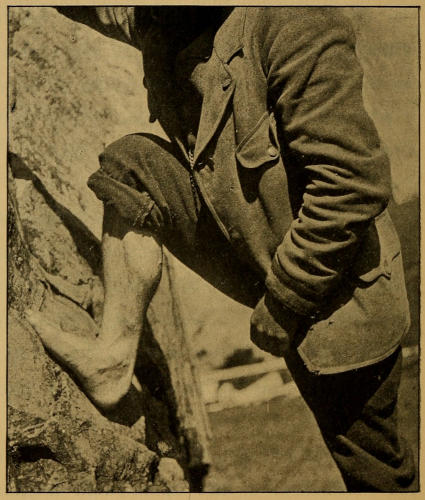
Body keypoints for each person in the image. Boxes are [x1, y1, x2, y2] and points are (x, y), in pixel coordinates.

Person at [27, 6, 415, 492]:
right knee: (131, 166)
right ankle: (112, 359)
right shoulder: (165, 18)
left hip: (339, 294)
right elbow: (100, 8)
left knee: (373, 469)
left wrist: (286, 300)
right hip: (259, 251)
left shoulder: (298, 23)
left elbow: (351, 185)